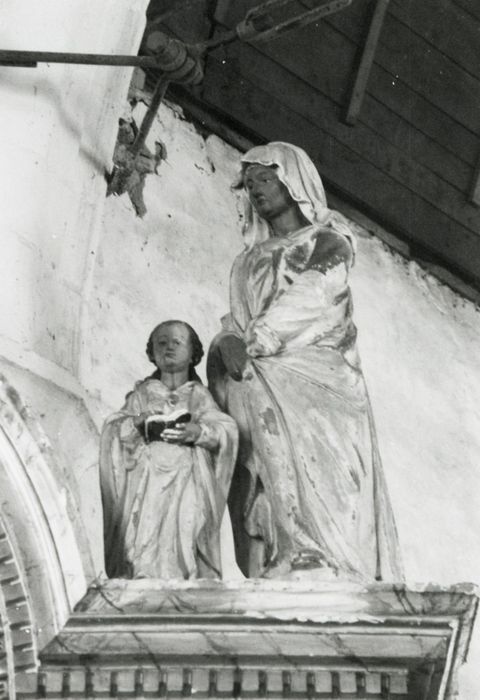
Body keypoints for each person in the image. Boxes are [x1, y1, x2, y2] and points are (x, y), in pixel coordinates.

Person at [208, 142, 403, 581]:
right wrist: (227, 343)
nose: (256, 190)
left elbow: (318, 290)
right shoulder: (247, 262)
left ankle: (339, 561)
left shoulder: (326, 240)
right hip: (262, 373)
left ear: (292, 183)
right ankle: (292, 547)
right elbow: (236, 323)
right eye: (250, 183)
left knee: (334, 473)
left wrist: (258, 340)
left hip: (322, 377)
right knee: (266, 448)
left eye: (265, 178)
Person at [100, 320, 238, 579]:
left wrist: (198, 432)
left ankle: (186, 572)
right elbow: (114, 429)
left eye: (177, 342)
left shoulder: (198, 394)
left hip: (188, 477)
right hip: (147, 478)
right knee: (146, 527)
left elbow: (225, 428)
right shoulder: (142, 393)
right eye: (161, 343)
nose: (169, 348)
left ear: (193, 353)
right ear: (152, 353)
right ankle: (144, 572)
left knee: (186, 526)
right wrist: (136, 423)